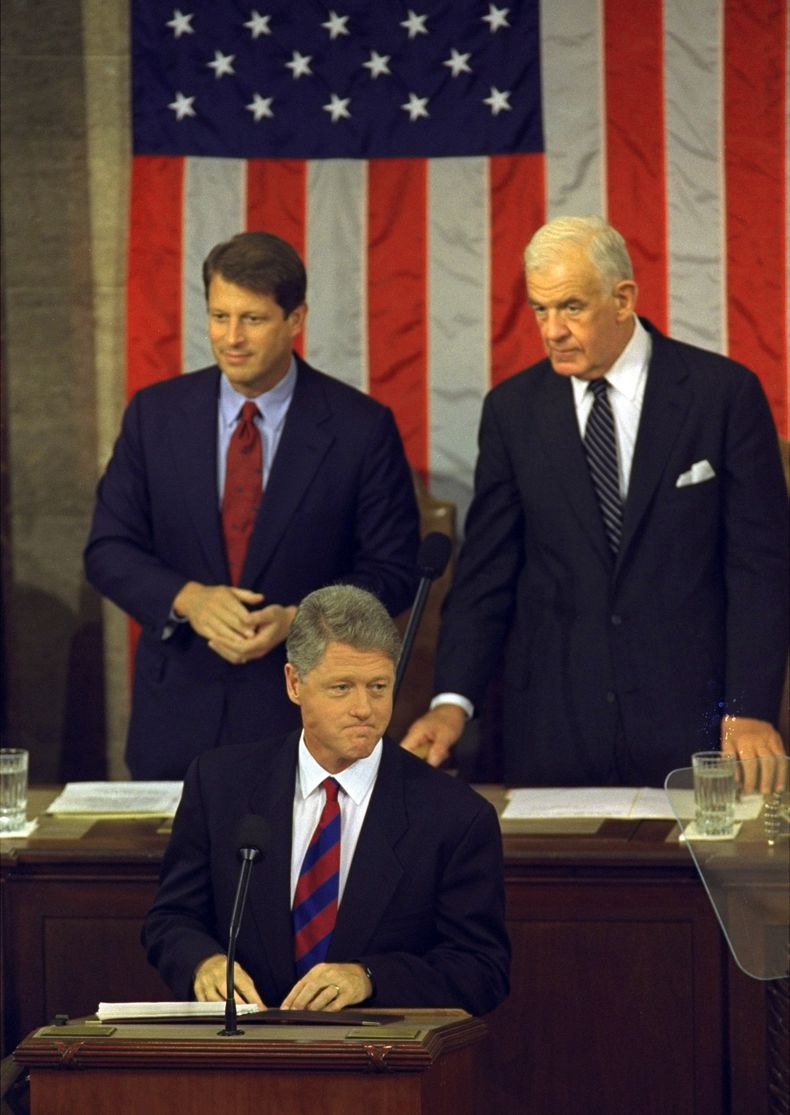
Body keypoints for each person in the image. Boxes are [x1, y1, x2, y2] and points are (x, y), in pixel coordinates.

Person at [402, 216, 788, 789]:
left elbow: (760, 568)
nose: (552, 329)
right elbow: (486, 575)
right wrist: (452, 701)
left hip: (698, 725)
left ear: (623, 298)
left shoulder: (721, 395)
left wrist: (749, 706)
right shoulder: (513, 412)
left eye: (571, 307)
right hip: (553, 728)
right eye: (539, 309)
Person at [85, 232, 420, 780]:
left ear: (296, 319)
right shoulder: (155, 415)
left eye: (253, 319)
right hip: (176, 718)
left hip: (300, 720)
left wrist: (301, 619)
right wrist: (188, 598)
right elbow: (108, 548)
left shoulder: (361, 428)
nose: (231, 339)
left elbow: (394, 571)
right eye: (219, 317)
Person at [142, 585, 510, 1015]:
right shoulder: (221, 784)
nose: (364, 708)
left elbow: (482, 970)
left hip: (378, 1060)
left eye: (378, 686)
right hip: (246, 1051)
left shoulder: (455, 816)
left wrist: (369, 978)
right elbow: (171, 920)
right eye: (341, 687)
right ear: (295, 683)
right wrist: (202, 962)